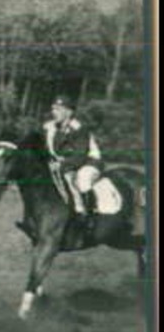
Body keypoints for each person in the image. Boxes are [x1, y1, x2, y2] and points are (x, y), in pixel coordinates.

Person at [43, 94, 104, 233]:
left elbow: (80, 156)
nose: (54, 112)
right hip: (66, 164)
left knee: (83, 180)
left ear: (69, 112)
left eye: (59, 109)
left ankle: (90, 216)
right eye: (53, 109)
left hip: (90, 162)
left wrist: (61, 165)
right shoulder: (49, 127)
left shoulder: (79, 128)